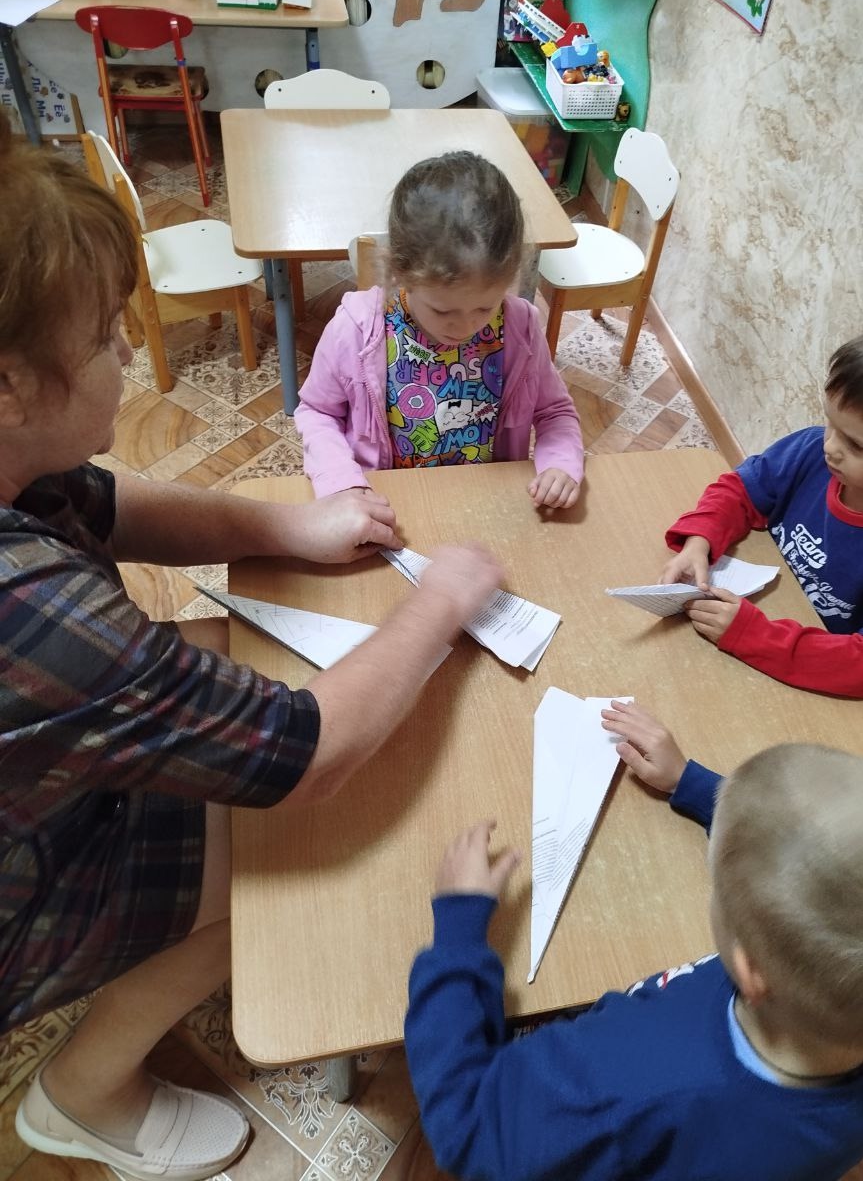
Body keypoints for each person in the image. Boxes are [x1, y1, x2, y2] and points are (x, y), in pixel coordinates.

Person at [0, 116, 502, 1181]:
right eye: (103, 337)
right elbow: (305, 750)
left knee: (227, 671)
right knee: (294, 848)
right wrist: (441, 603)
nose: (129, 354)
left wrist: (285, 527)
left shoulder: (16, 461)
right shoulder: (33, 613)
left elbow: (106, 501)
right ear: (9, 386)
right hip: (18, 889)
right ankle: (81, 1093)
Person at [404, 700, 863, 1181]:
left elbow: (468, 1126)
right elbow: (836, 878)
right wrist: (691, 784)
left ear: (750, 970)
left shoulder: (627, 1082)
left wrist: (458, 929)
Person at [660, 305, 863, 697]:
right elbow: (740, 490)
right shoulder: (810, 450)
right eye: (830, 422)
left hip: (803, 666)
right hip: (744, 617)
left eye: (857, 445)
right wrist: (700, 540)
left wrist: (753, 635)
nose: (830, 447)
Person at [294, 150, 584, 511]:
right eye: (443, 310)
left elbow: (555, 412)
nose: (465, 326)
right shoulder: (355, 329)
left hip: (485, 501)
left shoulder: (519, 327)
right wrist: (341, 482)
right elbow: (318, 412)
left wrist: (560, 463)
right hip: (391, 501)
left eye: (485, 307)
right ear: (399, 272)